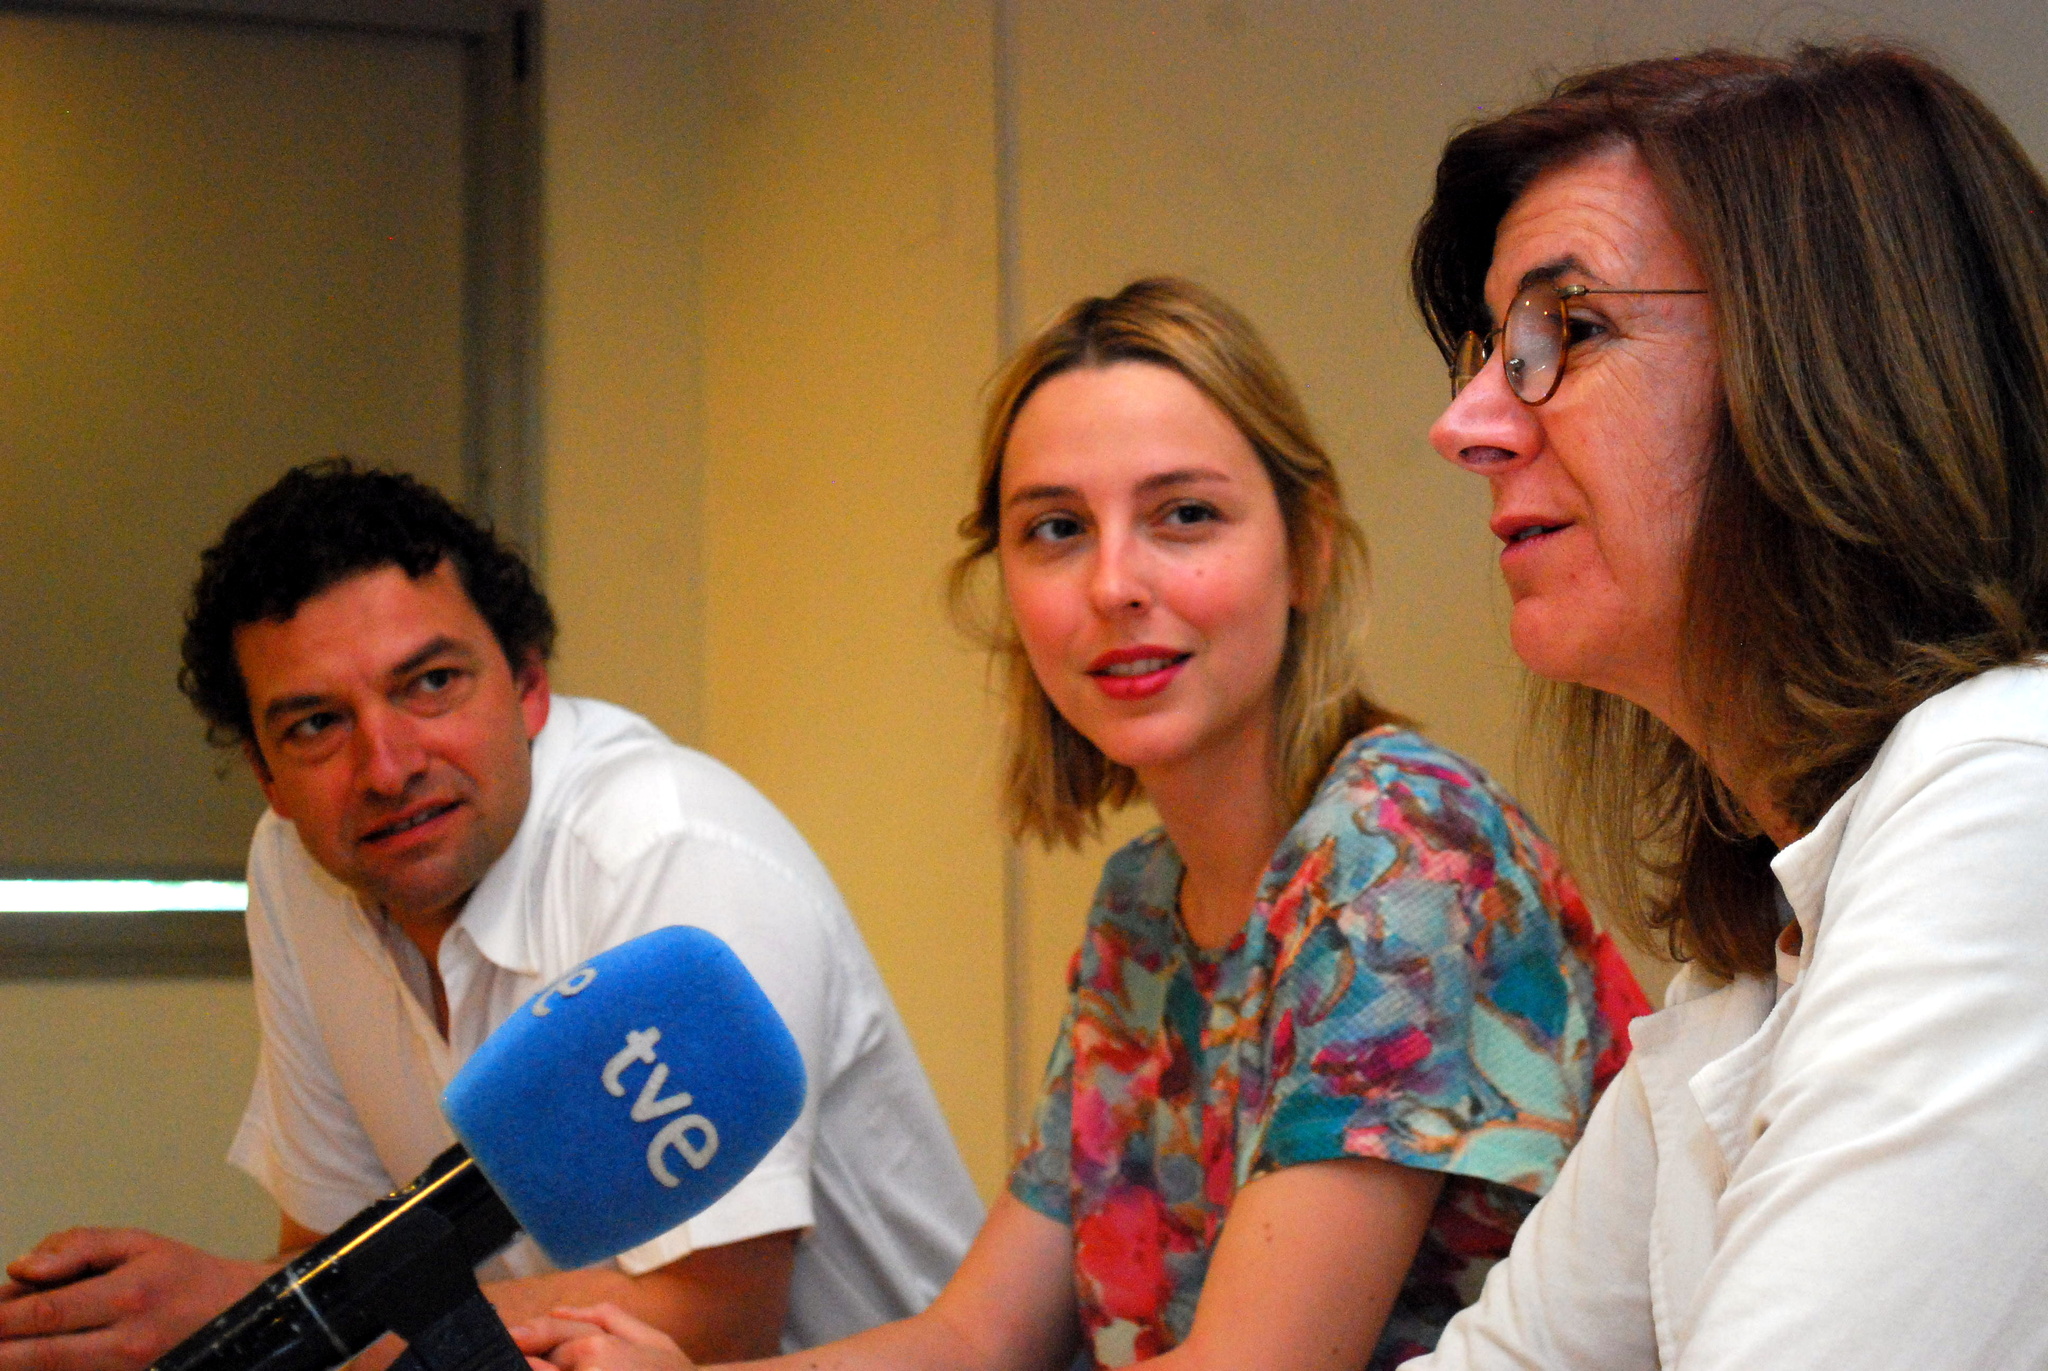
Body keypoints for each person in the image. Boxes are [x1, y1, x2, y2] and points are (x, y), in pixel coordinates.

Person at [508, 279, 1646, 1371]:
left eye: (1183, 515)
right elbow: (977, 1341)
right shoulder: (1143, 904)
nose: (1112, 584)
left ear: (1306, 549)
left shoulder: (1402, 851)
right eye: (1055, 529)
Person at [0, 461, 982, 1370]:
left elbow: (709, 1319)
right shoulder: (296, 865)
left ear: (528, 684)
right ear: (265, 773)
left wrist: (239, 1312)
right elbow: (333, 1250)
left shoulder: (666, 852)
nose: (387, 767)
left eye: (430, 684)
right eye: (317, 724)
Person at [1407, 43, 2048, 1369]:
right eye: (1489, 351)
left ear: (1840, 370)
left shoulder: (2007, 791)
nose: (1465, 425)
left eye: (1569, 331)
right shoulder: (1753, 960)